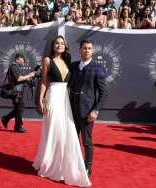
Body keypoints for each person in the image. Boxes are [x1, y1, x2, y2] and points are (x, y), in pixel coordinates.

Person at [33, 36, 91, 187]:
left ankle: (62, 165)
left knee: (65, 133)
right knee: (54, 131)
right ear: (53, 46)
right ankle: (50, 165)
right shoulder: (47, 60)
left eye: (62, 43)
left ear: (65, 47)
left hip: (65, 99)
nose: (59, 45)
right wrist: (40, 99)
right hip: (53, 97)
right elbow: (44, 81)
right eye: (57, 43)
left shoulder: (67, 62)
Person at [69, 39, 108, 178]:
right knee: (71, 140)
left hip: (87, 111)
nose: (87, 50)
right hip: (70, 110)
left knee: (87, 141)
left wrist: (96, 110)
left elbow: (103, 93)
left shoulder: (98, 68)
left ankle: (87, 167)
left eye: (89, 48)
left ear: (92, 51)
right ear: (80, 50)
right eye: (84, 48)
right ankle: (73, 164)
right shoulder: (73, 66)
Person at [0, 53, 36, 133]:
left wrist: (29, 80)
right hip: (15, 92)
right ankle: (17, 126)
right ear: (18, 58)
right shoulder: (14, 67)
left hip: (17, 91)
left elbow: (21, 79)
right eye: (23, 59)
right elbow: (18, 79)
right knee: (19, 108)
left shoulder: (16, 67)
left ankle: (6, 119)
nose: (24, 61)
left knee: (19, 108)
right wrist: (29, 75)